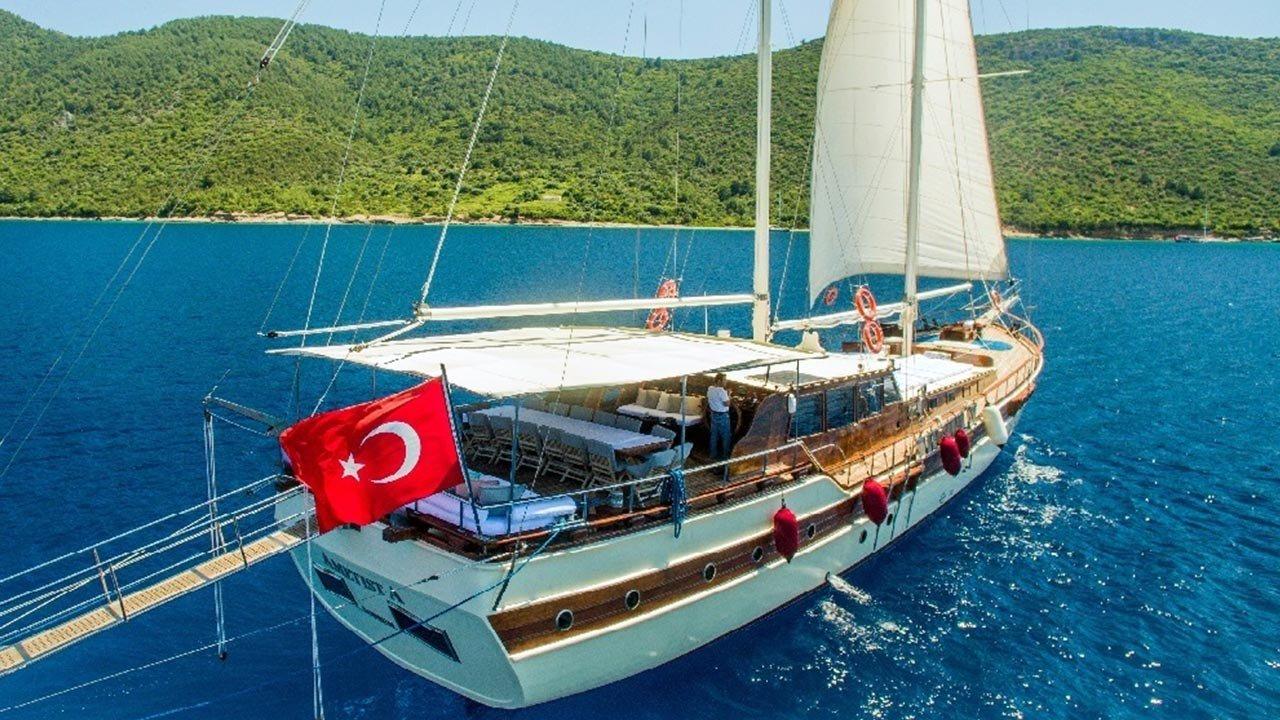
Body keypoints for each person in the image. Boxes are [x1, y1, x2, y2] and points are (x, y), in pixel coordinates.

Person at [707, 374, 731, 460]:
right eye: (724, 380)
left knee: (714, 436)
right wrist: (729, 394)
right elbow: (727, 403)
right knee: (726, 437)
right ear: (719, 381)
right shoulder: (721, 391)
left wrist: (725, 393)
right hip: (723, 416)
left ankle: (712, 455)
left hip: (713, 415)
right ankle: (725, 457)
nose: (726, 381)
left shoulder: (710, 388)